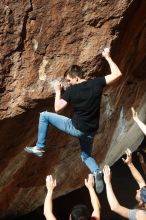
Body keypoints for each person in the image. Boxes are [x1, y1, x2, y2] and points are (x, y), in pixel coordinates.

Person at [24, 47, 122, 193]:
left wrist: (58, 92)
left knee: (44, 115)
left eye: (69, 80)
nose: (68, 83)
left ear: (76, 77)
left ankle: (39, 147)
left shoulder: (71, 91)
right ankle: (97, 172)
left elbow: (57, 108)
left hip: (76, 128)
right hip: (90, 131)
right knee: (86, 155)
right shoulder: (97, 83)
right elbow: (117, 74)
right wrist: (107, 57)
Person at [103, 148, 146, 220]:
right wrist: (130, 164)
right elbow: (141, 182)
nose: (137, 190)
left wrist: (107, 182)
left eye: (139, 192)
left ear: (142, 203)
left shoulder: (142, 216)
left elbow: (115, 207)